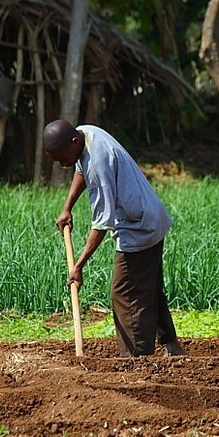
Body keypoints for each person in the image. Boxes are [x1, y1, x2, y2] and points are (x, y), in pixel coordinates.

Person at [43, 119, 187, 358]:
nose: (62, 164)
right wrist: (67, 207)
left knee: (125, 292)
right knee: (148, 286)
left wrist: (79, 266)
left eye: (62, 158)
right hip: (150, 216)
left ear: (74, 142)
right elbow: (79, 166)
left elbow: (102, 222)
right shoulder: (86, 133)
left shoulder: (97, 164)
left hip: (139, 227)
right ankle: (171, 345)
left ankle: (135, 357)